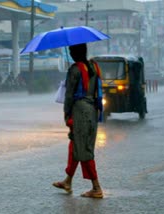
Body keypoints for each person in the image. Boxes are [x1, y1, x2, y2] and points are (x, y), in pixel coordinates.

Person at [52, 43, 104, 198]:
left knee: (84, 149)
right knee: (76, 145)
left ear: (75, 53)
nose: (70, 52)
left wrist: (67, 114)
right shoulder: (94, 67)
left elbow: (69, 95)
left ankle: (96, 187)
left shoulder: (75, 70)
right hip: (92, 109)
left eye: (71, 50)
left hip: (79, 111)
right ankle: (68, 180)